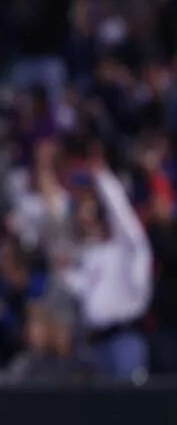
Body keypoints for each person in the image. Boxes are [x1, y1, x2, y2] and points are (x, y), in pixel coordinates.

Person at [61, 160, 153, 380]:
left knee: (130, 403)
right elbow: (88, 292)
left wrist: (104, 179)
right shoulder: (93, 253)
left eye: (92, 218)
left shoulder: (129, 248)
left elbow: (123, 216)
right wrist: (66, 275)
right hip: (95, 342)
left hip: (124, 339)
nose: (87, 223)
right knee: (105, 408)